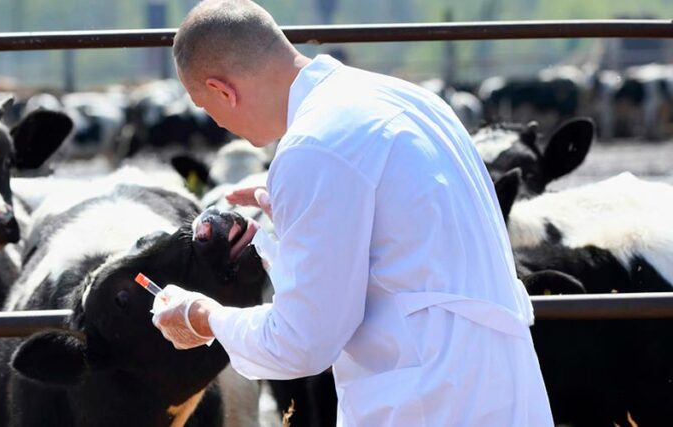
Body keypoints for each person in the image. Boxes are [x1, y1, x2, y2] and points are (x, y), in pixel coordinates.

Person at [150, 0, 554, 425]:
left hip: (426, 403)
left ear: (221, 91)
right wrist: (289, 213)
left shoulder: (312, 146)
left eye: (205, 106)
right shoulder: (411, 99)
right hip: (504, 389)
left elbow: (302, 342)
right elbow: (406, 235)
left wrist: (202, 317)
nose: (215, 123)